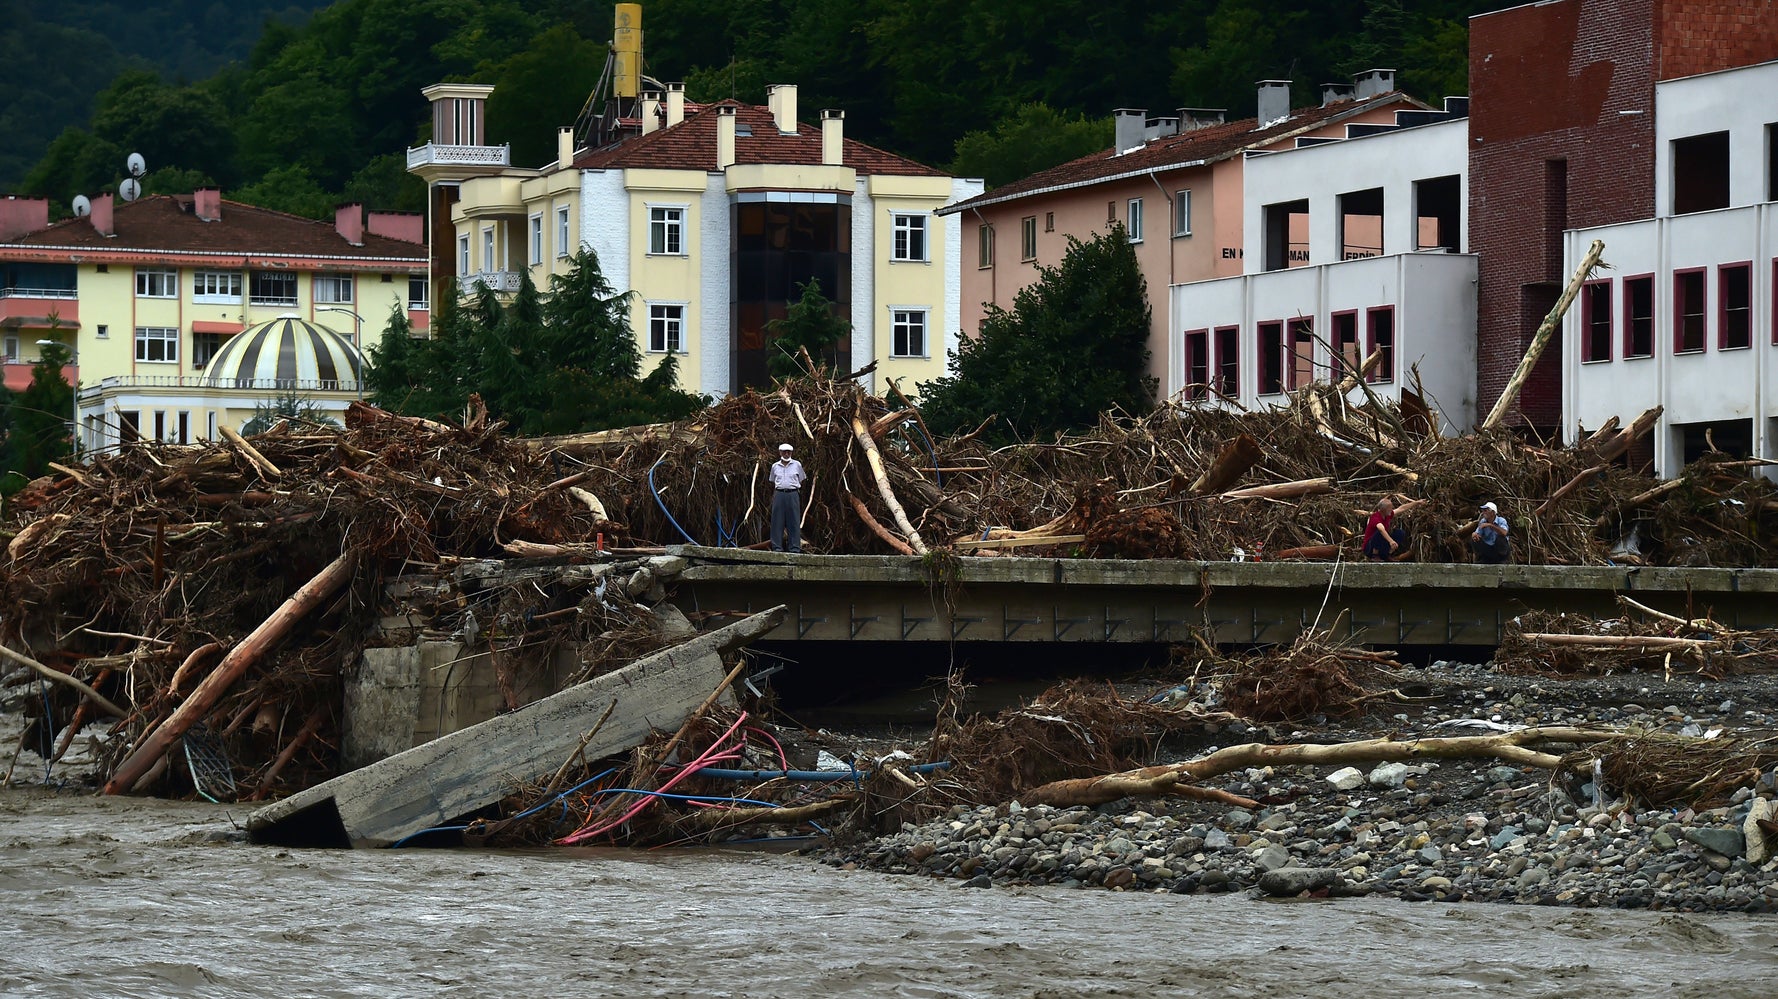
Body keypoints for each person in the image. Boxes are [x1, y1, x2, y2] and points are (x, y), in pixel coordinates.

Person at [769, 442, 807, 553]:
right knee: (777, 521)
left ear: (791, 453)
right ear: (780, 452)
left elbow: (801, 479)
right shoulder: (775, 466)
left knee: (794, 520)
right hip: (779, 493)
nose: (786, 454)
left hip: (793, 494)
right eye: (784, 452)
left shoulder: (797, 465)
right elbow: (772, 480)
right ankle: (777, 547)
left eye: (788, 452)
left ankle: (794, 548)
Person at [1362, 495, 1408, 561]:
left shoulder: (1387, 515)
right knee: (1379, 532)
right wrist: (1391, 541)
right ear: (1383, 509)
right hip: (1369, 548)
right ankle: (1375, 555)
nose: (1391, 509)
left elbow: (1401, 509)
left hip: (1382, 546)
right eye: (1389, 508)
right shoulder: (1375, 517)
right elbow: (1381, 529)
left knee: (1399, 533)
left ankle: (1387, 554)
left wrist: (1417, 502)